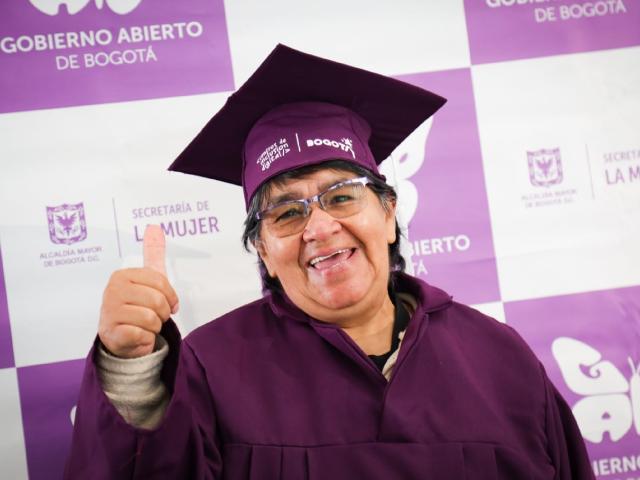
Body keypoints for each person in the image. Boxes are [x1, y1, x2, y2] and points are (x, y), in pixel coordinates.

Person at [64, 45, 594, 479]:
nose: (319, 228)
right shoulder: (211, 370)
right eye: (286, 213)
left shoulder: (500, 360)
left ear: (388, 214)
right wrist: (131, 372)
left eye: (342, 196)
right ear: (264, 252)